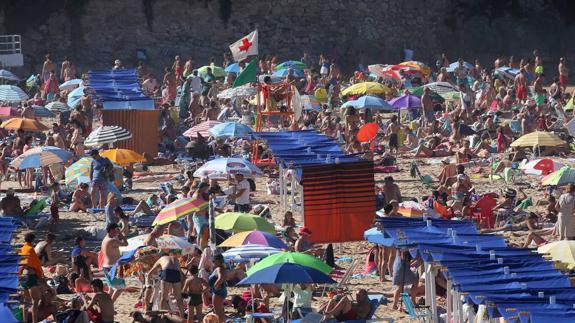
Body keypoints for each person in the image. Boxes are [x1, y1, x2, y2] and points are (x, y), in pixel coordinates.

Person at [19, 233, 44, 323]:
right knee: (35, 301)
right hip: (30, 276)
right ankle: (34, 321)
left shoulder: (23, 249)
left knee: (26, 301)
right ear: (32, 241)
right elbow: (36, 263)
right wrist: (40, 274)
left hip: (23, 276)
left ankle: (25, 321)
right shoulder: (30, 249)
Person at [101, 223, 128, 302]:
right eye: (116, 230)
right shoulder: (112, 240)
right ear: (112, 230)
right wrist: (120, 234)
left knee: (111, 289)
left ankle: (105, 305)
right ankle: (110, 305)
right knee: (120, 288)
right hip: (113, 267)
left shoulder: (105, 239)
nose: (117, 232)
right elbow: (126, 243)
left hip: (106, 266)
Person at [209, 254, 227, 323]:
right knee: (220, 311)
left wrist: (215, 285)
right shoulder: (222, 268)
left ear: (219, 261)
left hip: (218, 292)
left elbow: (220, 278)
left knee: (218, 312)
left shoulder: (219, 268)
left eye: (214, 261)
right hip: (222, 291)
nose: (213, 262)